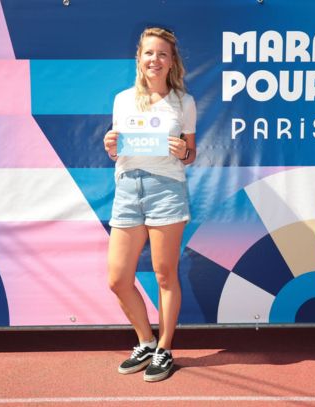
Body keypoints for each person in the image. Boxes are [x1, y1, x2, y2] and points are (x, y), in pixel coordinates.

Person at [103, 27, 196, 382]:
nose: (154, 60)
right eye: (148, 53)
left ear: (172, 62)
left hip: (166, 189)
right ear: (139, 59)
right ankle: (145, 340)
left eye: (162, 54)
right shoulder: (122, 99)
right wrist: (110, 144)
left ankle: (165, 349)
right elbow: (118, 148)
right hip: (128, 189)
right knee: (117, 278)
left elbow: (191, 154)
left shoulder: (183, 102)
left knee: (164, 274)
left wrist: (183, 151)